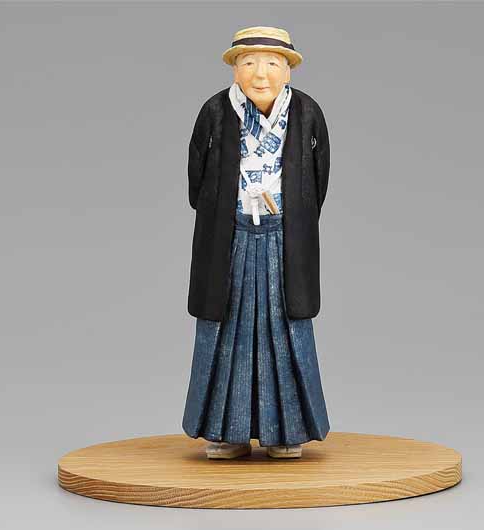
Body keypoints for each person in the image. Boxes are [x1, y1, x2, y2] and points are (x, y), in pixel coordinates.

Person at [182, 26, 331, 459]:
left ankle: (287, 432)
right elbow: (197, 178)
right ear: (234, 69)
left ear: (288, 71)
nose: (260, 74)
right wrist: (224, 212)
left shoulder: (306, 113)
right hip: (229, 236)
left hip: (284, 235)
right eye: (248, 63)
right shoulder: (215, 111)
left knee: (286, 329)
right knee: (226, 328)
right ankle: (225, 431)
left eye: (271, 63)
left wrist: (292, 216)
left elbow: (317, 180)